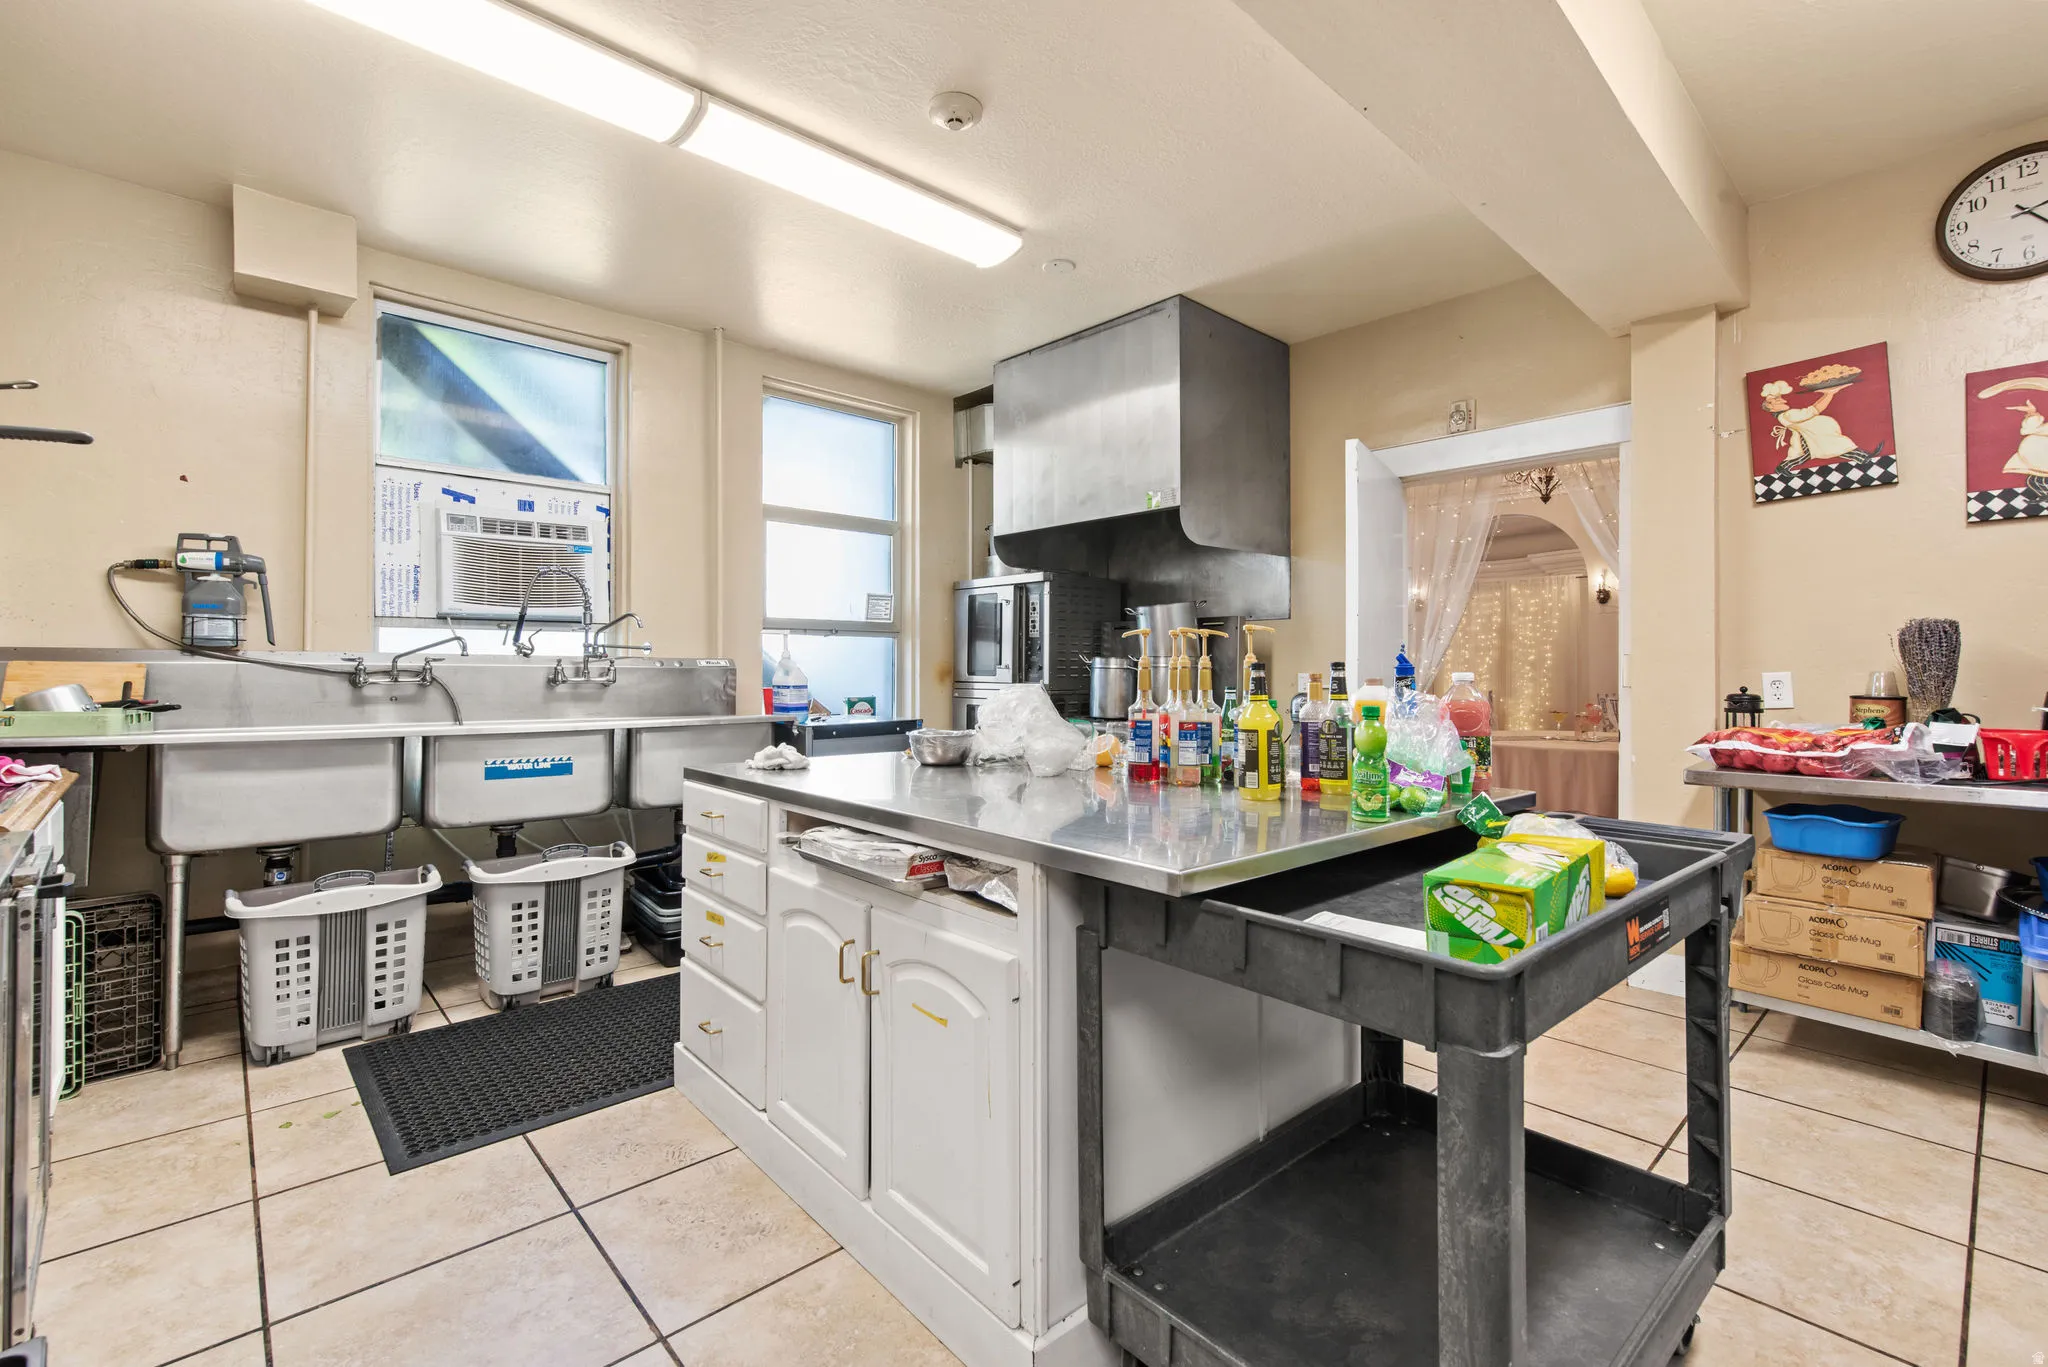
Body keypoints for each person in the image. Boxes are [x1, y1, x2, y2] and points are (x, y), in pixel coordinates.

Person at [1760, 379, 1887, 474]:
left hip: (1811, 437)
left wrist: (1827, 393)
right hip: (1816, 436)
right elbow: (1814, 409)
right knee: (1836, 445)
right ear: (1771, 407)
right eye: (1776, 401)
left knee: (1809, 453)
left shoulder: (1786, 415)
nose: (1783, 400)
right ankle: (1864, 457)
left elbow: (1812, 410)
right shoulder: (1788, 415)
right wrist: (1829, 394)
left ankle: (1782, 469)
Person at [1999, 397, 2048, 502]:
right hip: (2036, 462)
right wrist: (2032, 413)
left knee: (2038, 480)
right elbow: (2030, 428)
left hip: (2043, 462)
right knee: (2033, 481)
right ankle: (2044, 497)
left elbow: (2032, 429)